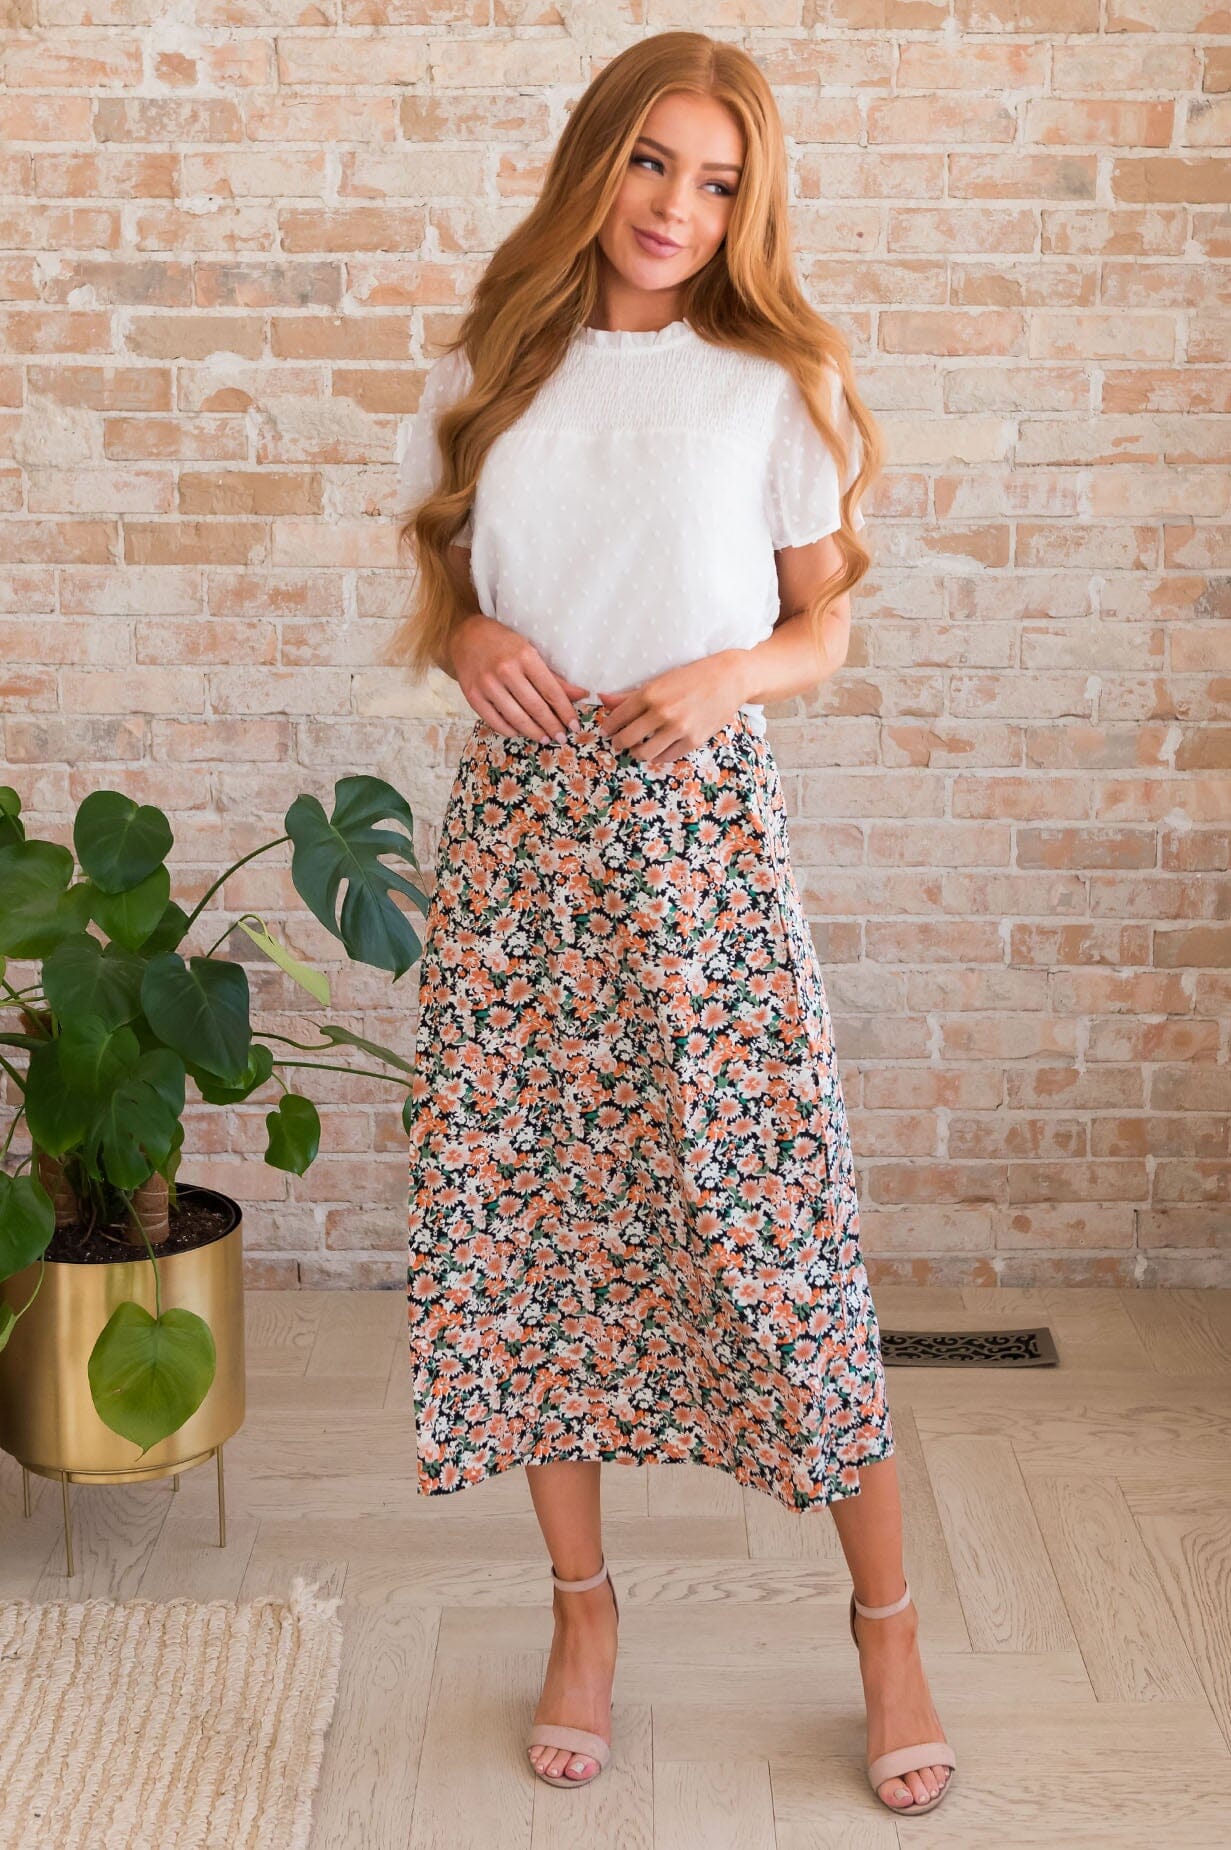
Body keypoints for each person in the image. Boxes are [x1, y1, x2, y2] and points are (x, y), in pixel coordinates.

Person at [391, 31, 955, 1817]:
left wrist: (729, 675)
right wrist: (468, 636)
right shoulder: (495, 358)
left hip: (701, 843)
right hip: (523, 850)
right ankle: (583, 1612)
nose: (677, 209)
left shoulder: (774, 381)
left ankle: (888, 1629)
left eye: (719, 183)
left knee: (785, 1241)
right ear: (596, 159)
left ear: (748, 205)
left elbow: (824, 627)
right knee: (540, 1234)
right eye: (653, 163)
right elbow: (446, 574)